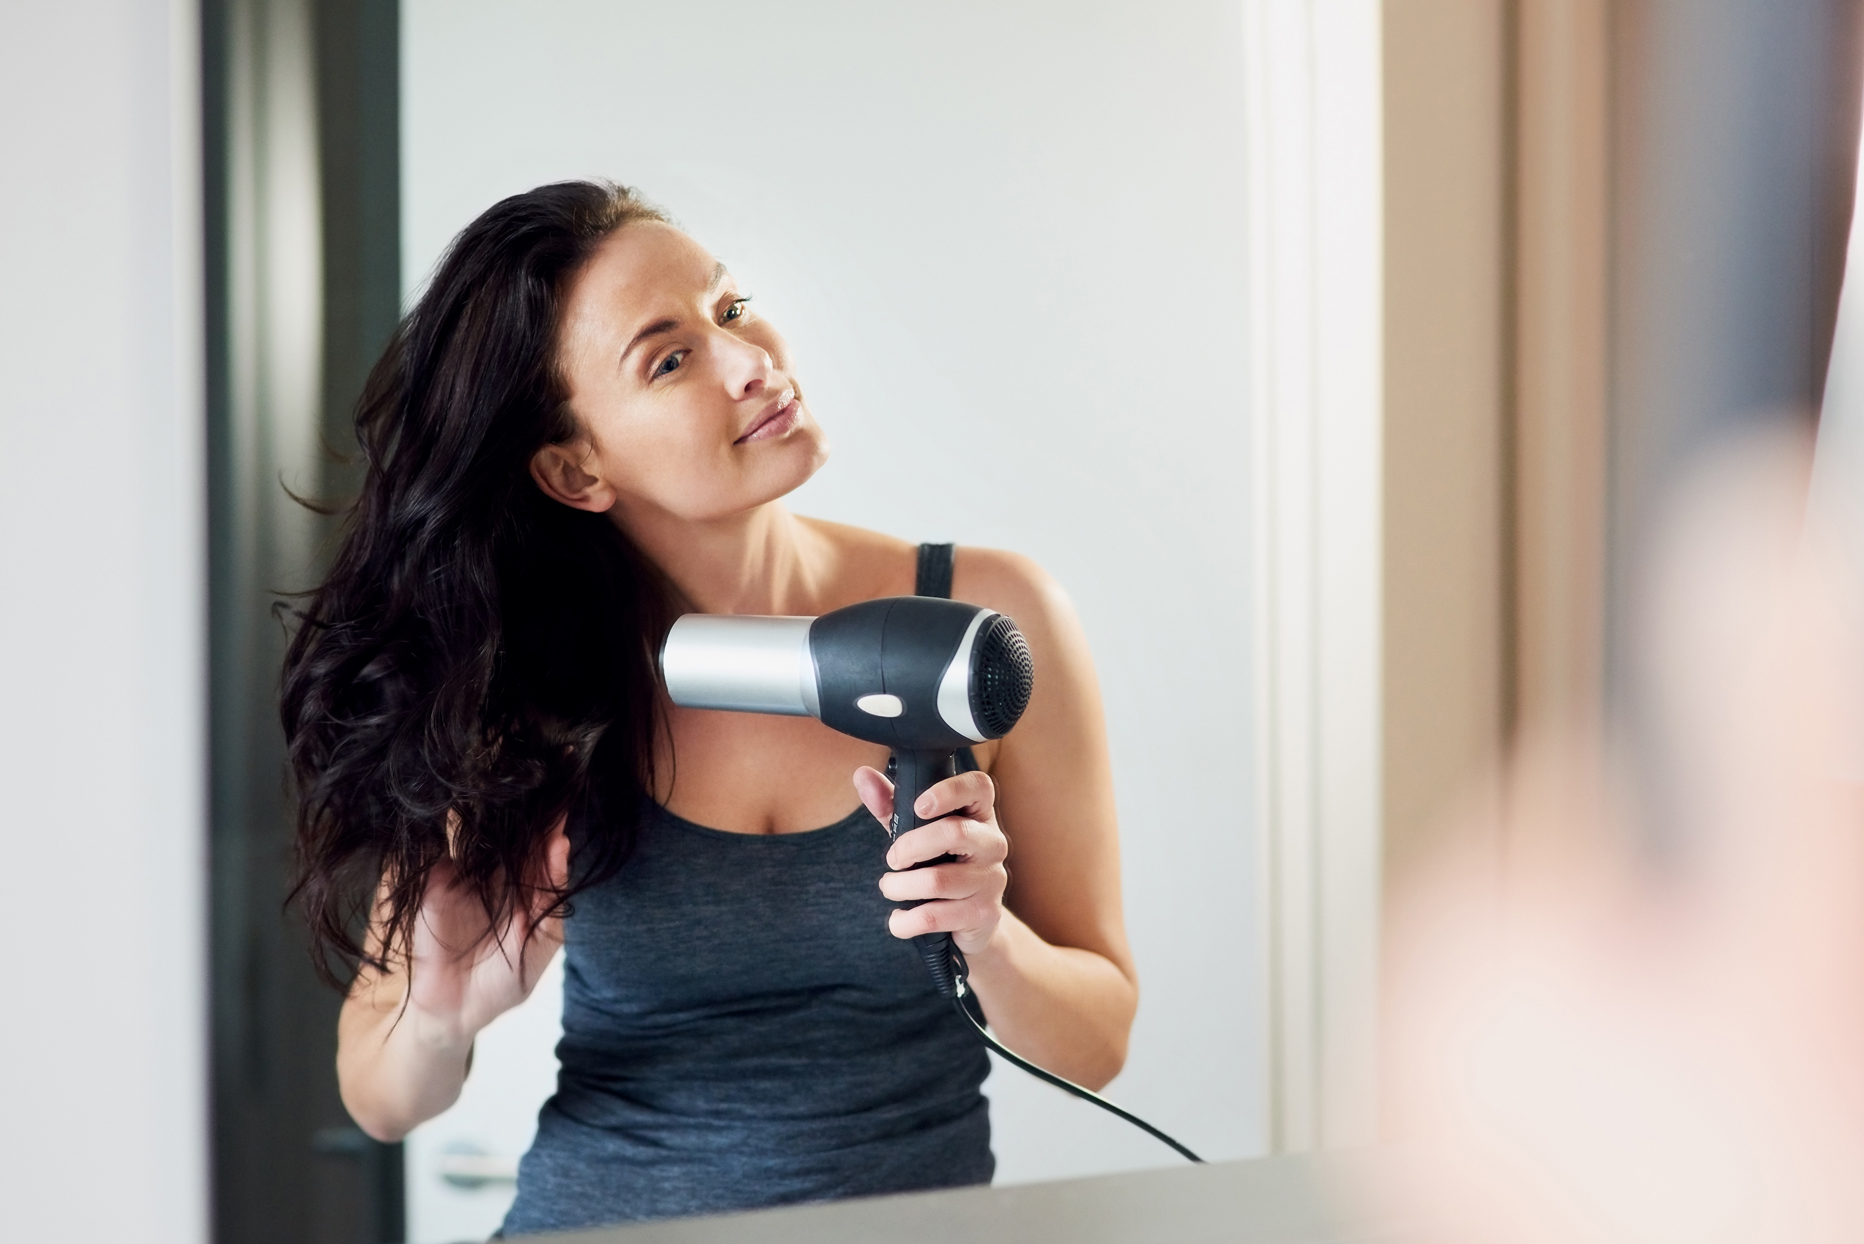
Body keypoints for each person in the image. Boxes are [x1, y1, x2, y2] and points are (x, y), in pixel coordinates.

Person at [281, 180, 1135, 1234]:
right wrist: (444, 1009)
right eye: (670, 357)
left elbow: (1098, 1037)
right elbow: (379, 1093)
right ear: (574, 466)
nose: (750, 360)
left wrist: (989, 938)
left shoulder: (979, 622)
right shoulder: (527, 695)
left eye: (729, 309)